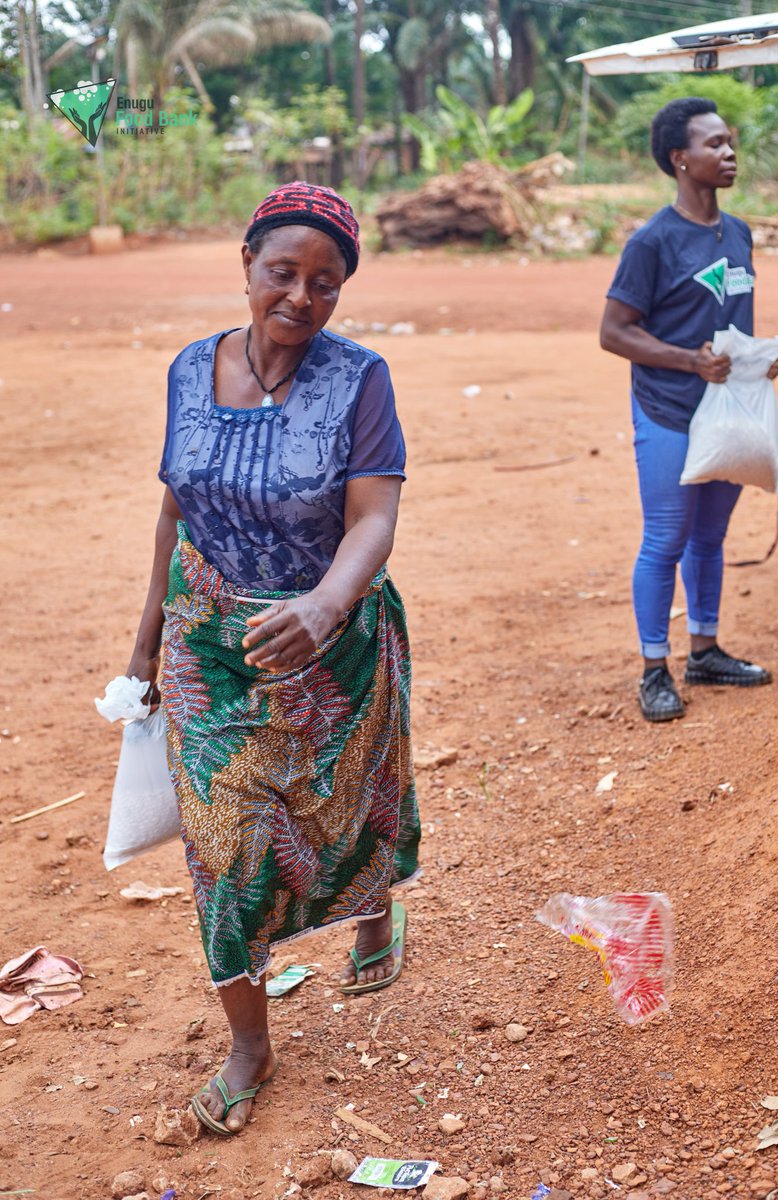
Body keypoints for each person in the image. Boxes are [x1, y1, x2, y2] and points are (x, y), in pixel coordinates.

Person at [125, 182, 421, 1136]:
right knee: (226, 843)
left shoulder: (360, 377)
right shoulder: (186, 369)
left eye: (325, 283)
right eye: (283, 273)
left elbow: (374, 514)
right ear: (246, 266)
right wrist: (142, 651)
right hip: (209, 645)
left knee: (348, 803)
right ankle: (250, 1039)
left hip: (332, 646)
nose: (301, 296)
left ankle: (374, 906)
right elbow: (176, 510)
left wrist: (327, 604)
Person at [600, 97, 778, 723]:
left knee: (709, 538)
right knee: (666, 539)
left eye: (731, 142)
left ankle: (704, 649)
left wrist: (765, 359)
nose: (729, 153)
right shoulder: (652, 241)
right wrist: (688, 360)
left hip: (729, 412)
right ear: (680, 159)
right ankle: (655, 667)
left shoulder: (737, 233)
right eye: (715, 144)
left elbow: (734, 320)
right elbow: (614, 332)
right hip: (669, 409)